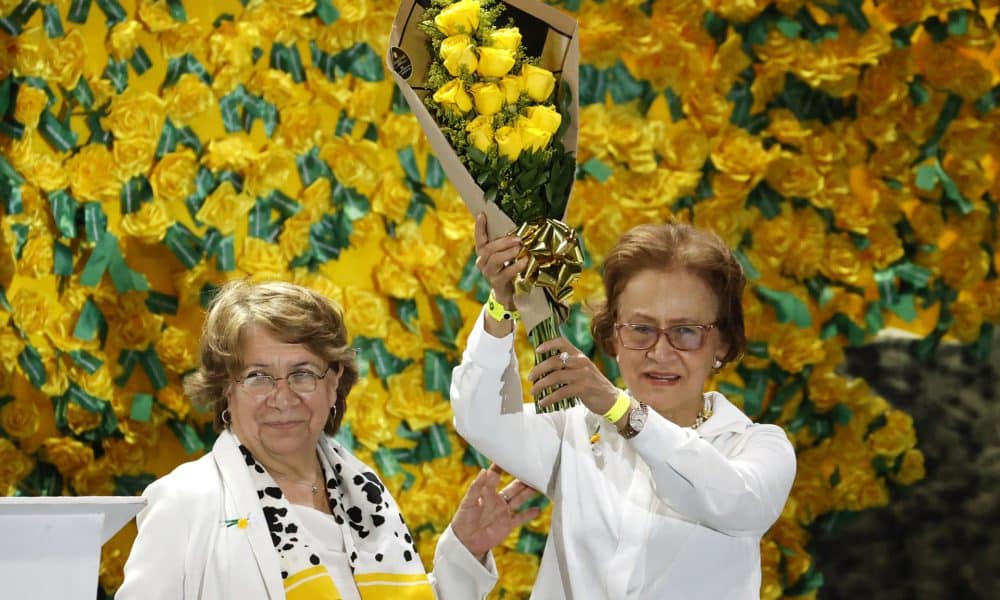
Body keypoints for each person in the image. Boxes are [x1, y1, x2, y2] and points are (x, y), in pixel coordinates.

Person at [117, 279, 540, 600]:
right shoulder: (185, 502)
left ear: (334, 381)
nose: (282, 398)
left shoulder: (365, 494)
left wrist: (463, 551)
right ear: (225, 388)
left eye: (303, 373)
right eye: (257, 377)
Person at [451, 216, 797, 599]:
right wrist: (503, 304)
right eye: (641, 329)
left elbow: (737, 505)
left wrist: (623, 412)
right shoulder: (575, 431)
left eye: (685, 332)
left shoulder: (759, 447)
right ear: (612, 336)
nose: (660, 353)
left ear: (724, 345)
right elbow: (481, 419)